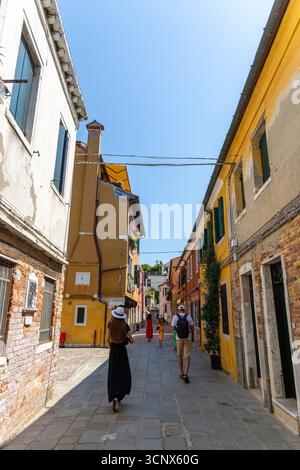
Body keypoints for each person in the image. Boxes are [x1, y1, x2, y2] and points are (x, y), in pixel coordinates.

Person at [107, 306, 133, 413]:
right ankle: (119, 397)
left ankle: (113, 396)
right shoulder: (125, 325)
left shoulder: (110, 324)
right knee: (123, 373)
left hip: (113, 351)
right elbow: (131, 340)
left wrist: (112, 347)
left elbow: (107, 340)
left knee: (113, 373)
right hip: (122, 352)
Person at [171, 305, 194, 384]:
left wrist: (178, 331)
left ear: (178, 310)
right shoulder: (189, 317)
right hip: (188, 338)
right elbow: (192, 327)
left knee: (179, 356)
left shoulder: (175, 317)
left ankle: (181, 373)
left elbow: (173, 328)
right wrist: (189, 332)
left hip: (179, 338)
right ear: (184, 310)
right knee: (187, 357)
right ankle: (186, 374)